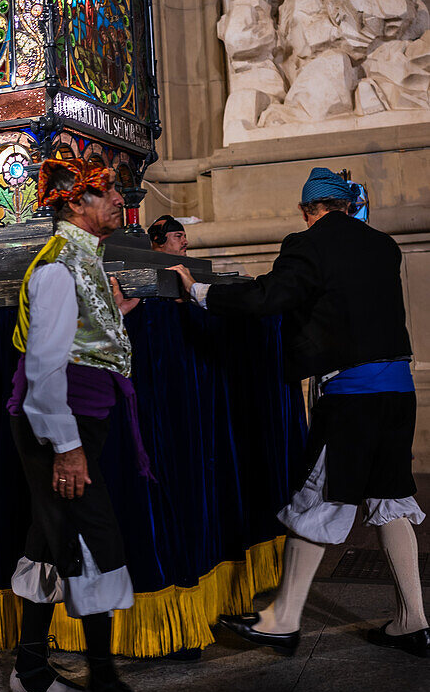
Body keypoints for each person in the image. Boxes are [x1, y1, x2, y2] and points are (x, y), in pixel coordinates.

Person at [177, 167, 429, 658]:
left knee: (317, 501)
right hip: (399, 393)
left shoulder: (308, 243)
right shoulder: (383, 245)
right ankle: (413, 620)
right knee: (389, 499)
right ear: (345, 204)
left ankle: (282, 619)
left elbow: (270, 297)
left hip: (352, 396)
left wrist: (201, 292)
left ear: (306, 210)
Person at [6, 158, 167, 692]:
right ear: (75, 203)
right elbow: (46, 366)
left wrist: (113, 318)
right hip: (59, 421)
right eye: (107, 193)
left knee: (51, 537)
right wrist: (66, 447)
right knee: (92, 538)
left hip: (82, 416)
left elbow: (78, 338)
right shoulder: (57, 267)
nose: (120, 200)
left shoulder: (85, 260)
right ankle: (105, 688)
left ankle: (30, 668)